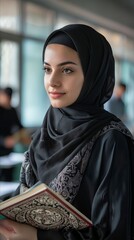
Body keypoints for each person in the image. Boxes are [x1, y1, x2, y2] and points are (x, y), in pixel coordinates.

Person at [0, 24, 134, 240]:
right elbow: (24, 199)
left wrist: (39, 237)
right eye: (47, 69)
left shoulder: (111, 139)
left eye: (67, 70)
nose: (52, 81)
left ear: (93, 75)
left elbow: (114, 233)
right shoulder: (48, 128)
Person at [0, 87, 31, 181]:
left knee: (9, 176)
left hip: (9, 151)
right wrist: (3, 141)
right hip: (2, 145)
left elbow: (20, 127)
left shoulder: (12, 110)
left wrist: (25, 137)